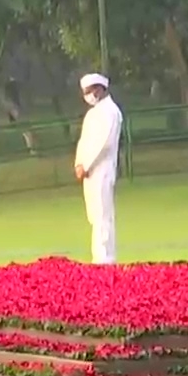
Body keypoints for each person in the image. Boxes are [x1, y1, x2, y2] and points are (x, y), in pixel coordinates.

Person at [73, 73, 124, 265]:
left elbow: (105, 144)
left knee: (103, 214)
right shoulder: (92, 113)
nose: (88, 96)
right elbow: (84, 141)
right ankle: (98, 256)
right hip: (89, 172)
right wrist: (79, 163)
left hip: (102, 170)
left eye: (90, 91)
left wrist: (87, 165)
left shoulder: (110, 112)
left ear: (100, 89)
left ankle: (105, 258)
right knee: (94, 214)